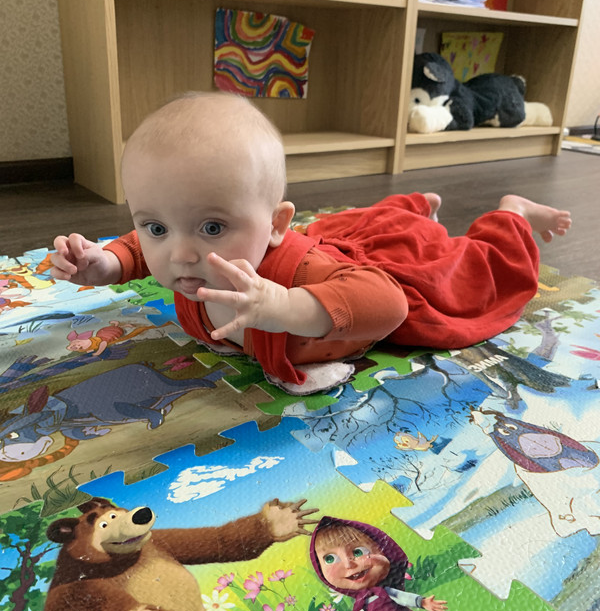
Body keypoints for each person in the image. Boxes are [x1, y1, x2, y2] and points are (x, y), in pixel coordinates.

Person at [50, 92, 571, 393]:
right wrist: (107, 263)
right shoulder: (184, 255)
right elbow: (138, 247)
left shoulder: (304, 276)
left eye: (212, 228)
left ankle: (511, 213)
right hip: (329, 250)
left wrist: (287, 308)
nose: (179, 254)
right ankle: (415, 209)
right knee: (377, 227)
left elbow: (389, 303)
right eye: (157, 226)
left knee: (466, 271)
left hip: (363, 277)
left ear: (276, 225)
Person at [310, 516, 495, 611]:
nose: (349, 564)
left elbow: (400, 597)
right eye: (330, 559)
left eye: (358, 552)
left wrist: (422, 602)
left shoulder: (384, 592)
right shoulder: (363, 603)